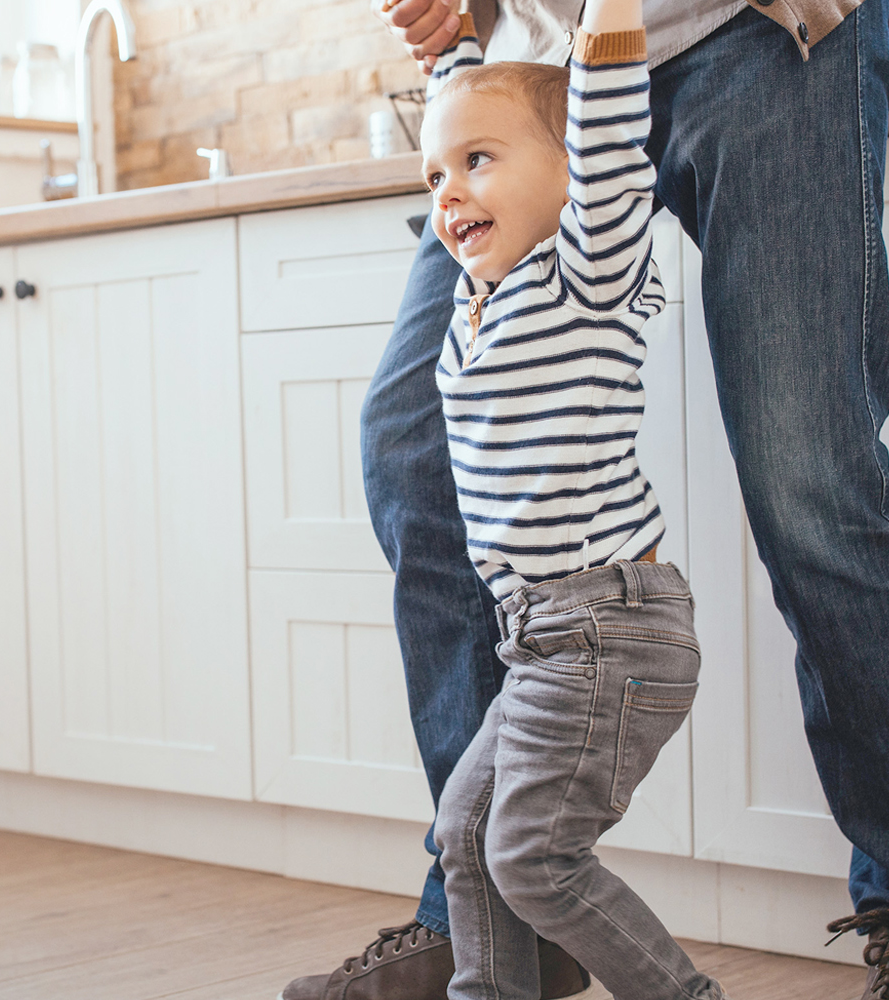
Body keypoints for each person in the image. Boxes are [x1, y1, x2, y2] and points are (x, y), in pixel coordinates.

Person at [276, 0, 889, 994]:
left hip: (754, 28)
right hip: (536, 67)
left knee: (809, 476)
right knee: (414, 455)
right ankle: (504, 918)